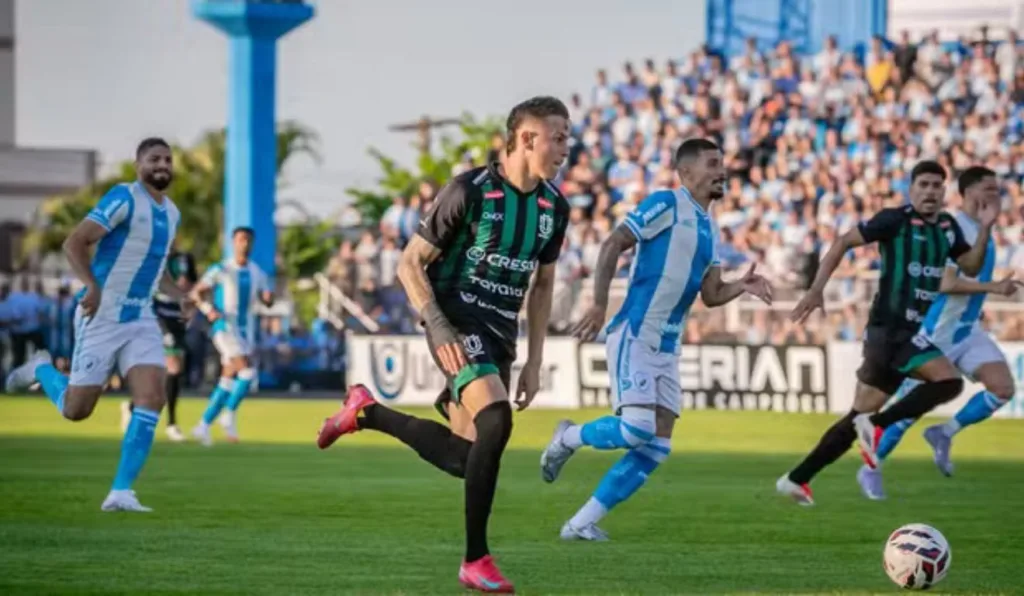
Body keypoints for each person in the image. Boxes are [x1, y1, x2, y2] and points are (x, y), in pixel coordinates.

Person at [316, 96, 571, 594]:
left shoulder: (553, 208)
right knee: (497, 420)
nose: (566, 148)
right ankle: (476, 559)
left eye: (568, 137)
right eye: (558, 137)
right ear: (526, 138)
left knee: (466, 457)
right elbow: (410, 263)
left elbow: (541, 287)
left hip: (500, 334)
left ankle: (366, 412)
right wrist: (437, 323)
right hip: (454, 318)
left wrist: (535, 360)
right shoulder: (469, 191)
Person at [539, 138, 772, 540]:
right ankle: (569, 436)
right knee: (635, 429)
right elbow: (614, 242)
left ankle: (579, 524)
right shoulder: (666, 203)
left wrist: (741, 286)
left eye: (722, 164)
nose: (722, 171)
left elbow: (712, 295)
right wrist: (598, 305)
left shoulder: (707, 226)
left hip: (667, 346)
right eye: (713, 164)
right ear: (686, 173)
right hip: (635, 332)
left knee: (656, 447)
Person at [778, 161, 996, 505]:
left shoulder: (947, 227)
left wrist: (984, 229)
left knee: (855, 418)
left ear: (943, 191)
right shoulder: (894, 220)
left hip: (899, 335)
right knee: (949, 382)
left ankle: (796, 478)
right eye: (923, 184)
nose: (930, 191)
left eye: (937, 186)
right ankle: (878, 424)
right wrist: (816, 288)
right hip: (889, 330)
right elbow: (842, 242)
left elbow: (969, 265)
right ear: (912, 189)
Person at [4, 137, 184, 512]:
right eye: (155, 159)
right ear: (139, 165)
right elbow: (75, 242)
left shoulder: (173, 213)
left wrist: (180, 296)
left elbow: (156, 267)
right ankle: (40, 368)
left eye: (167, 159)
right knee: (76, 410)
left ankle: (121, 492)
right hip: (101, 315)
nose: (162, 165)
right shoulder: (123, 197)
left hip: (141, 318)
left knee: (152, 396)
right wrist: (91, 285)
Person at [858, 166, 1021, 498]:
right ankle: (870, 468)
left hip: (966, 330)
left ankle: (944, 433)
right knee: (906, 412)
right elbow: (945, 282)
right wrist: (995, 287)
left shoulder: (980, 228)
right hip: (936, 331)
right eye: (989, 188)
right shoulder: (951, 227)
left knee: (1003, 388)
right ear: (970, 192)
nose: (996, 194)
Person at [190, 227, 272, 445]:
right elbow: (197, 292)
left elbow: (267, 299)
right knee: (247, 372)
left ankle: (203, 425)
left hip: (246, 331)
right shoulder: (222, 269)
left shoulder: (257, 272)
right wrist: (209, 310)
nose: (244, 244)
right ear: (233, 242)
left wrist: (268, 298)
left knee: (227, 380)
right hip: (225, 328)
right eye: (240, 240)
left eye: (248, 240)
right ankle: (228, 414)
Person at [122, 241, 198, 441]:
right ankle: (171, 423)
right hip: (158, 314)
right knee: (173, 368)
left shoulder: (185, 258)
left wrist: (188, 294)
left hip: (177, 316)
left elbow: (193, 282)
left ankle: (132, 406)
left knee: (165, 373)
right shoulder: (155, 258)